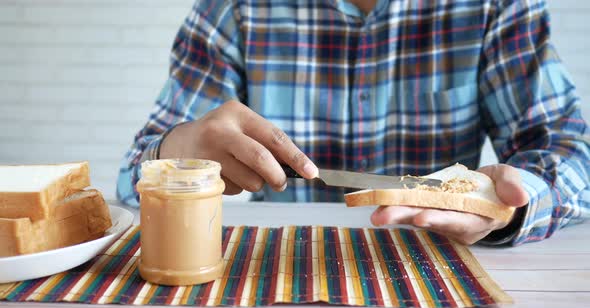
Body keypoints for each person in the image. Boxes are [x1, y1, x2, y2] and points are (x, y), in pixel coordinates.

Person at [117, 0, 589, 246]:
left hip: (443, 274)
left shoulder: (494, 7)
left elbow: (574, 157)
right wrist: (180, 148)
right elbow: (131, 177)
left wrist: (511, 205)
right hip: (280, 281)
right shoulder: (234, 10)